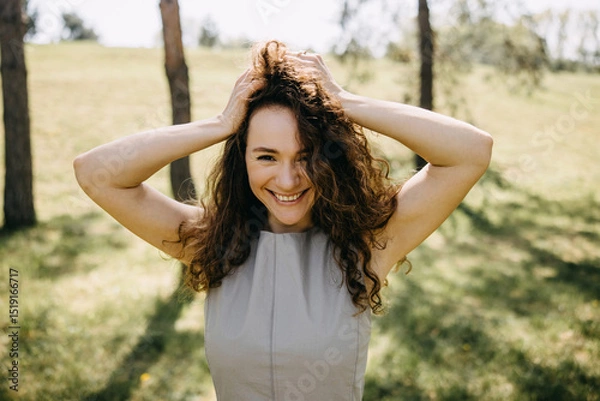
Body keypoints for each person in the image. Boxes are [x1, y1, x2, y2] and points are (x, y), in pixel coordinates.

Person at [73, 40, 492, 400]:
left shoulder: (368, 245)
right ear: (243, 161)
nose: (288, 179)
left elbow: (470, 152)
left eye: (306, 155)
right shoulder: (212, 244)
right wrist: (220, 124)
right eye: (266, 156)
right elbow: (96, 174)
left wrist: (343, 101)